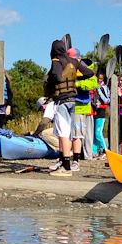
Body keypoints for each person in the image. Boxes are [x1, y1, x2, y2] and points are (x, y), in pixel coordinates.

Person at [44, 39, 94, 176]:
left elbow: (57, 77)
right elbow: (90, 73)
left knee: (64, 133)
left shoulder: (56, 61)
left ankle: (65, 167)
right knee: (74, 133)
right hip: (74, 100)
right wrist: (75, 80)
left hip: (63, 101)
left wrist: (55, 81)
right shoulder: (74, 61)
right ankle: (68, 163)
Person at [71, 50, 98, 161]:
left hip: (85, 107)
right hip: (73, 106)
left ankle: (88, 155)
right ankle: (77, 154)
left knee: (86, 133)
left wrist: (77, 84)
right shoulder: (68, 68)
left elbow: (93, 83)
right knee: (75, 134)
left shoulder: (86, 68)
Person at [92, 71, 111, 155]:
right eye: (98, 78)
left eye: (101, 79)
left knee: (98, 133)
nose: (99, 80)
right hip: (94, 112)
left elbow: (107, 100)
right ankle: (94, 151)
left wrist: (99, 90)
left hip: (101, 112)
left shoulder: (105, 88)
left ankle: (105, 150)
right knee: (93, 133)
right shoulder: (93, 86)